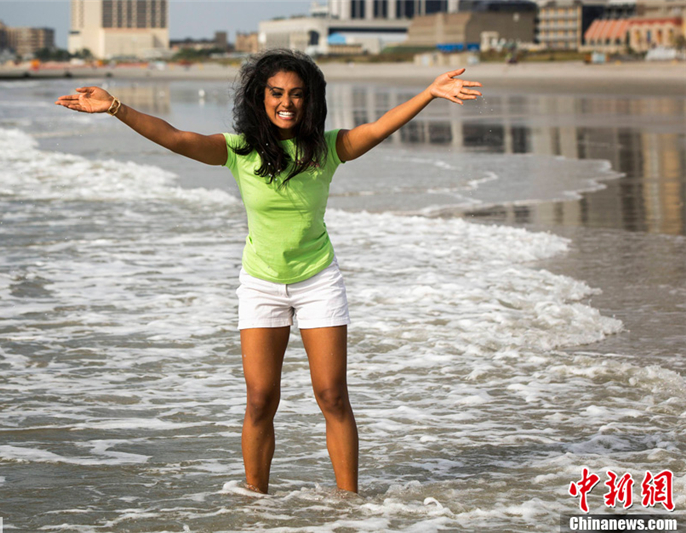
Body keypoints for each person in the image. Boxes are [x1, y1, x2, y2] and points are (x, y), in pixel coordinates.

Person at [55, 49, 482, 495]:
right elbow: (176, 137)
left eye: (297, 95)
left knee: (332, 396)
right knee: (260, 400)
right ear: (260, 97)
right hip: (260, 284)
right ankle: (256, 503)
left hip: (318, 280)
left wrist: (429, 93)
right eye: (277, 93)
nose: (287, 103)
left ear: (310, 100)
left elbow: (378, 127)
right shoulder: (238, 151)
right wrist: (116, 108)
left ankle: (348, 503)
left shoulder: (327, 148)